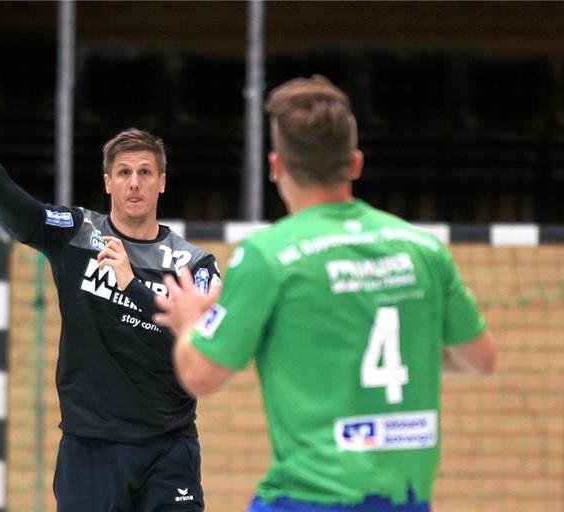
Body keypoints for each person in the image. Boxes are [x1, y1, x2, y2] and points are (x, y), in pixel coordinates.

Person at [153, 76, 497, 512]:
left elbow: (201, 375)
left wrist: (189, 323)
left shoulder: (269, 255)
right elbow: (481, 358)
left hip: (309, 498)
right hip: (406, 500)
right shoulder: (423, 248)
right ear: (355, 163)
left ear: (276, 166)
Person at [0, 84, 218, 512]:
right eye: (125, 172)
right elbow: (16, 209)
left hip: (169, 449)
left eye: (146, 172)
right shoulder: (77, 233)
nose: (135, 183)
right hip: (90, 448)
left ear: (162, 182)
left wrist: (132, 284)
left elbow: (201, 343)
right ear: (108, 181)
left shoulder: (195, 262)